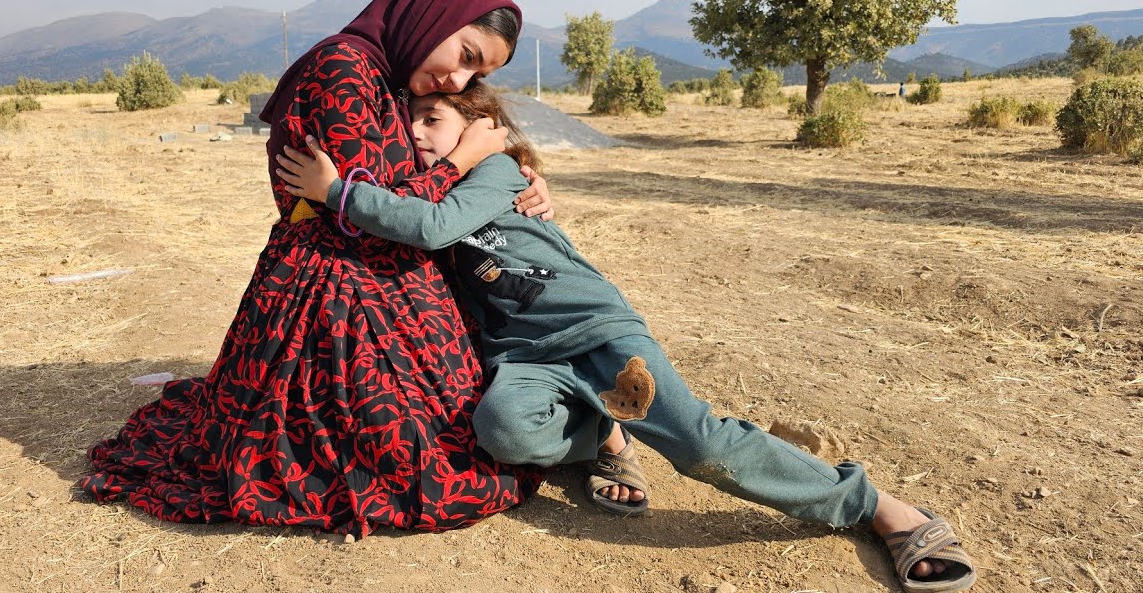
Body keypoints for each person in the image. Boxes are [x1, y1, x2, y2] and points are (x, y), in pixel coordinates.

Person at [276, 84, 978, 592]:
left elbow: (431, 226)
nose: (420, 135)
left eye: (435, 119)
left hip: (595, 329)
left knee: (700, 444)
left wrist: (338, 189)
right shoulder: (422, 190)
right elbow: (411, 222)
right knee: (502, 429)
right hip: (522, 356)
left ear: (484, 124)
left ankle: (882, 510)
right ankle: (607, 438)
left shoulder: (492, 171)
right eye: (412, 124)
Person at [79, 0, 551, 538]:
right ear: (432, 16)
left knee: (465, 423)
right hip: (328, 287)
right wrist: (463, 164)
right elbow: (364, 216)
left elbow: (444, 154)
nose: (458, 79)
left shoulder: (393, 78)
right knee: (409, 458)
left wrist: (514, 170)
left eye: (477, 72)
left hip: (390, 284)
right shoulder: (342, 70)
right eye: (466, 54)